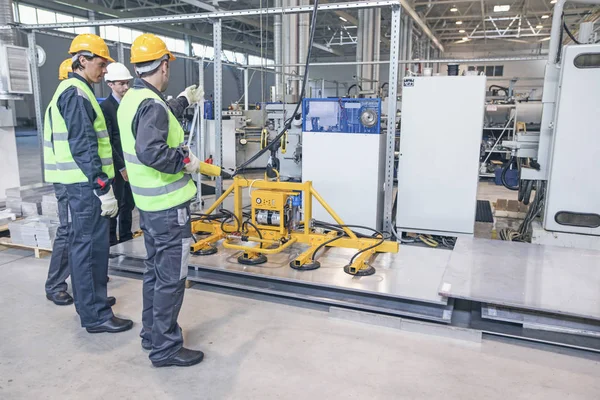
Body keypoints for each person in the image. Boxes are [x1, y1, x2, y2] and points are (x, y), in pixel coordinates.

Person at [118, 33, 222, 367]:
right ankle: (165, 347)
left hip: (148, 206)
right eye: (168, 66)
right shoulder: (150, 104)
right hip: (167, 208)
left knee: (155, 273)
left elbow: (156, 115)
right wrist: (186, 162)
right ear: (163, 65)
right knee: (172, 278)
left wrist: (182, 100)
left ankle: (151, 334)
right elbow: (151, 149)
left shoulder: (133, 99)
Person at [43, 33, 133, 333]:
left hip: (82, 185)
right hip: (84, 186)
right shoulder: (75, 94)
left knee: (91, 247)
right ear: (82, 60)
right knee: (89, 249)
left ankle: (93, 302)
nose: (105, 69)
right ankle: (95, 316)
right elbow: (83, 146)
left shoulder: (78, 91)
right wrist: (102, 187)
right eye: (101, 62)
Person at [100, 62, 135, 246]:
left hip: (132, 162)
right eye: (121, 84)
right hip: (116, 166)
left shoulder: (130, 105)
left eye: (127, 83)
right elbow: (108, 142)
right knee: (116, 204)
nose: (125, 87)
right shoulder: (106, 108)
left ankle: (127, 237)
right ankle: (112, 242)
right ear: (110, 84)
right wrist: (121, 167)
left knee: (129, 203)